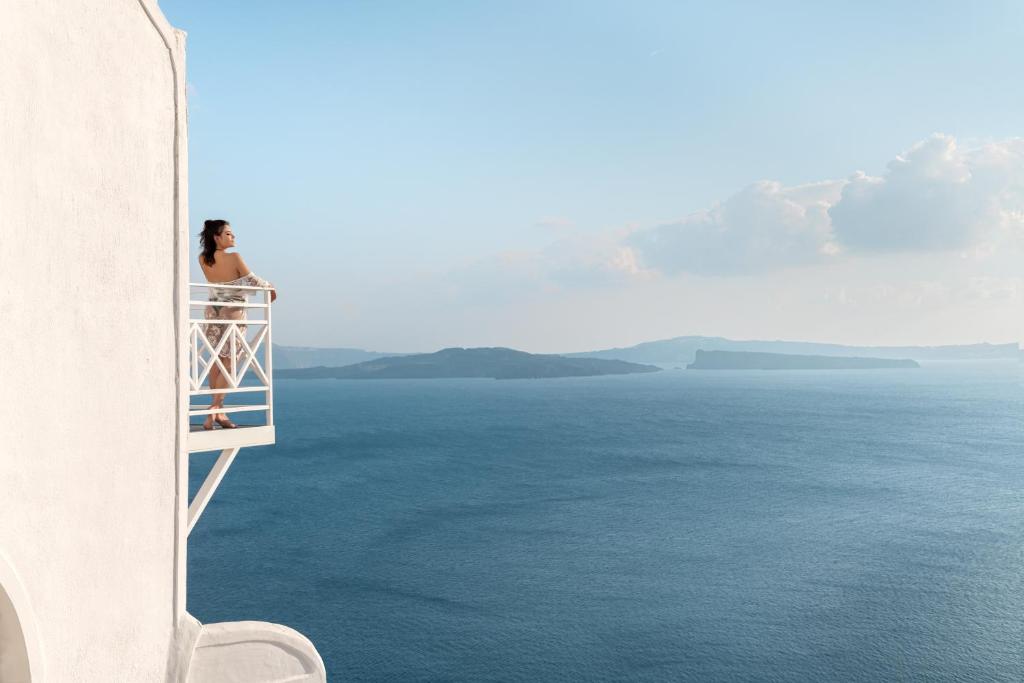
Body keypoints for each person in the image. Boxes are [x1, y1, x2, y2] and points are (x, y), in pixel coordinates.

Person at [197, 219, 277, 430]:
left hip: (212, 312)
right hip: (232, 313)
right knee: (230, 363)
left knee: (216, 361)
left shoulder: (203, 259)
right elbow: (251, 280)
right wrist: (271, 287)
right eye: (229, 234)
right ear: (217, 237)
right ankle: (215, 410)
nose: (234, 237)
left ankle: (217, 413)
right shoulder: (234, 257)